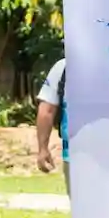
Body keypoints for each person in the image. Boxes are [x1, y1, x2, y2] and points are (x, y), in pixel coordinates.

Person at [36, 57, 69, 196]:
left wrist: (43, 149)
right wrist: (43, 149)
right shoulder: (64, 68)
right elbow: (46, 110)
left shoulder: (63, 67)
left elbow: (47, 110)